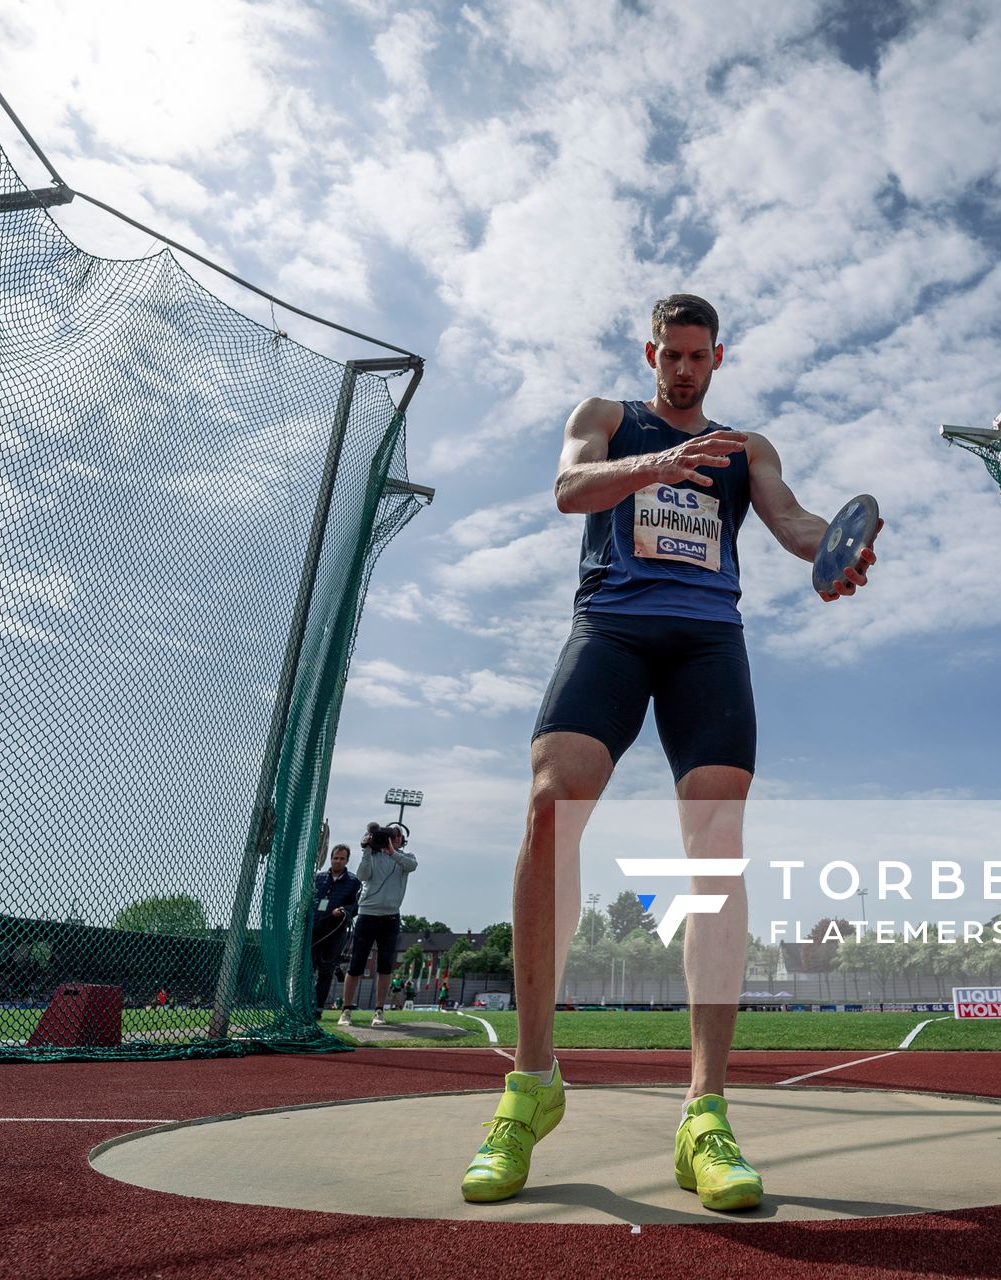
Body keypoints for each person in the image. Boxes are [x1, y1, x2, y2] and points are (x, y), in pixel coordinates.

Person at [459, 294, 877, 1211]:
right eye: (671, 354)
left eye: (699, 356)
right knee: (547, 804)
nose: (683, 369)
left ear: (718, 357)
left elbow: (795, 524)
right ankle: (531, 1086)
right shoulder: (606, 418)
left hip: (705, 645)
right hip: (609, 629)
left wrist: (832, 556)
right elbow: (572, 487)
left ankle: (706, 1113)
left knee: (716, 847)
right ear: (652, 351)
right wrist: (659, 461)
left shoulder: (746, 447)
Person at [339, 823, 418, 1028]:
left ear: (402, 839)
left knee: (385, 965)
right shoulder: (372, 856)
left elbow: (411, 866)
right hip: (367, 915)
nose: (392, 838)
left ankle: (379, 1011)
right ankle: (346, 1010)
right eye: (388, 835)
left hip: (390, 917)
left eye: (396, 836)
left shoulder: (405, 858)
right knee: (356, 964)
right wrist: (366, 850)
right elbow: (362, 876)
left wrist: (391, 852)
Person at [310, 843, 361, 1013]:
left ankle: (317, 1008)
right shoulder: (319, 878)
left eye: (341, 859)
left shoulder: (353, 882)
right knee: (308, 967)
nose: (337, 861)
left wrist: (344, 911)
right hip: (315, 928)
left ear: (347, 861)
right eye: (335, 858)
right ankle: (303, 1003)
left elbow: (356, 906)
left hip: (335, 931)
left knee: (326, 970)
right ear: (330, 859)